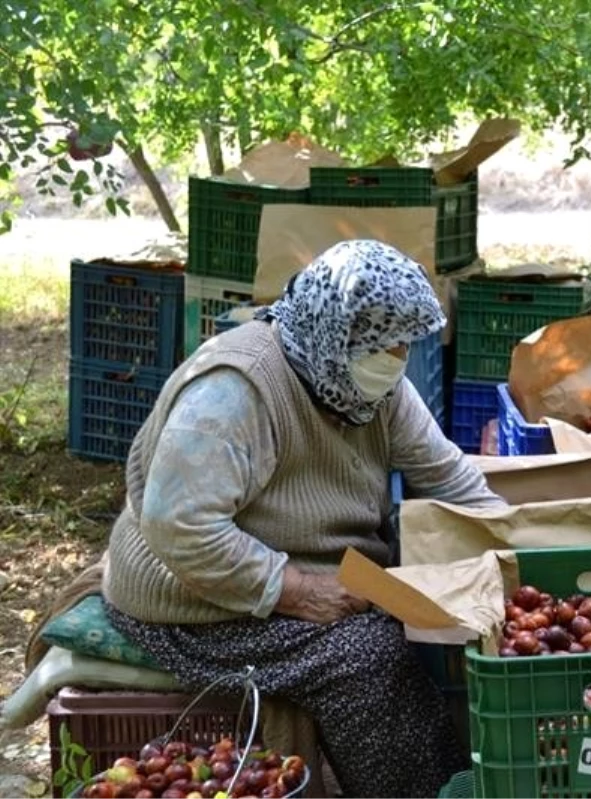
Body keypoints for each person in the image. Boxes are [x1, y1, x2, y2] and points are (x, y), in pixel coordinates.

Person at [102, 239, 505, 798]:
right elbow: (182, 529)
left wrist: (513, 548)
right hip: (194, 594)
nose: (395, 357)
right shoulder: (235, 391)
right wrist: (294, 590)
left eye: (403, 344)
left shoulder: (371, 387)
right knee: (366, 657)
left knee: (417, 619)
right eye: (380, 344)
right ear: (332, 334)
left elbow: (450, 478)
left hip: (305, 566)